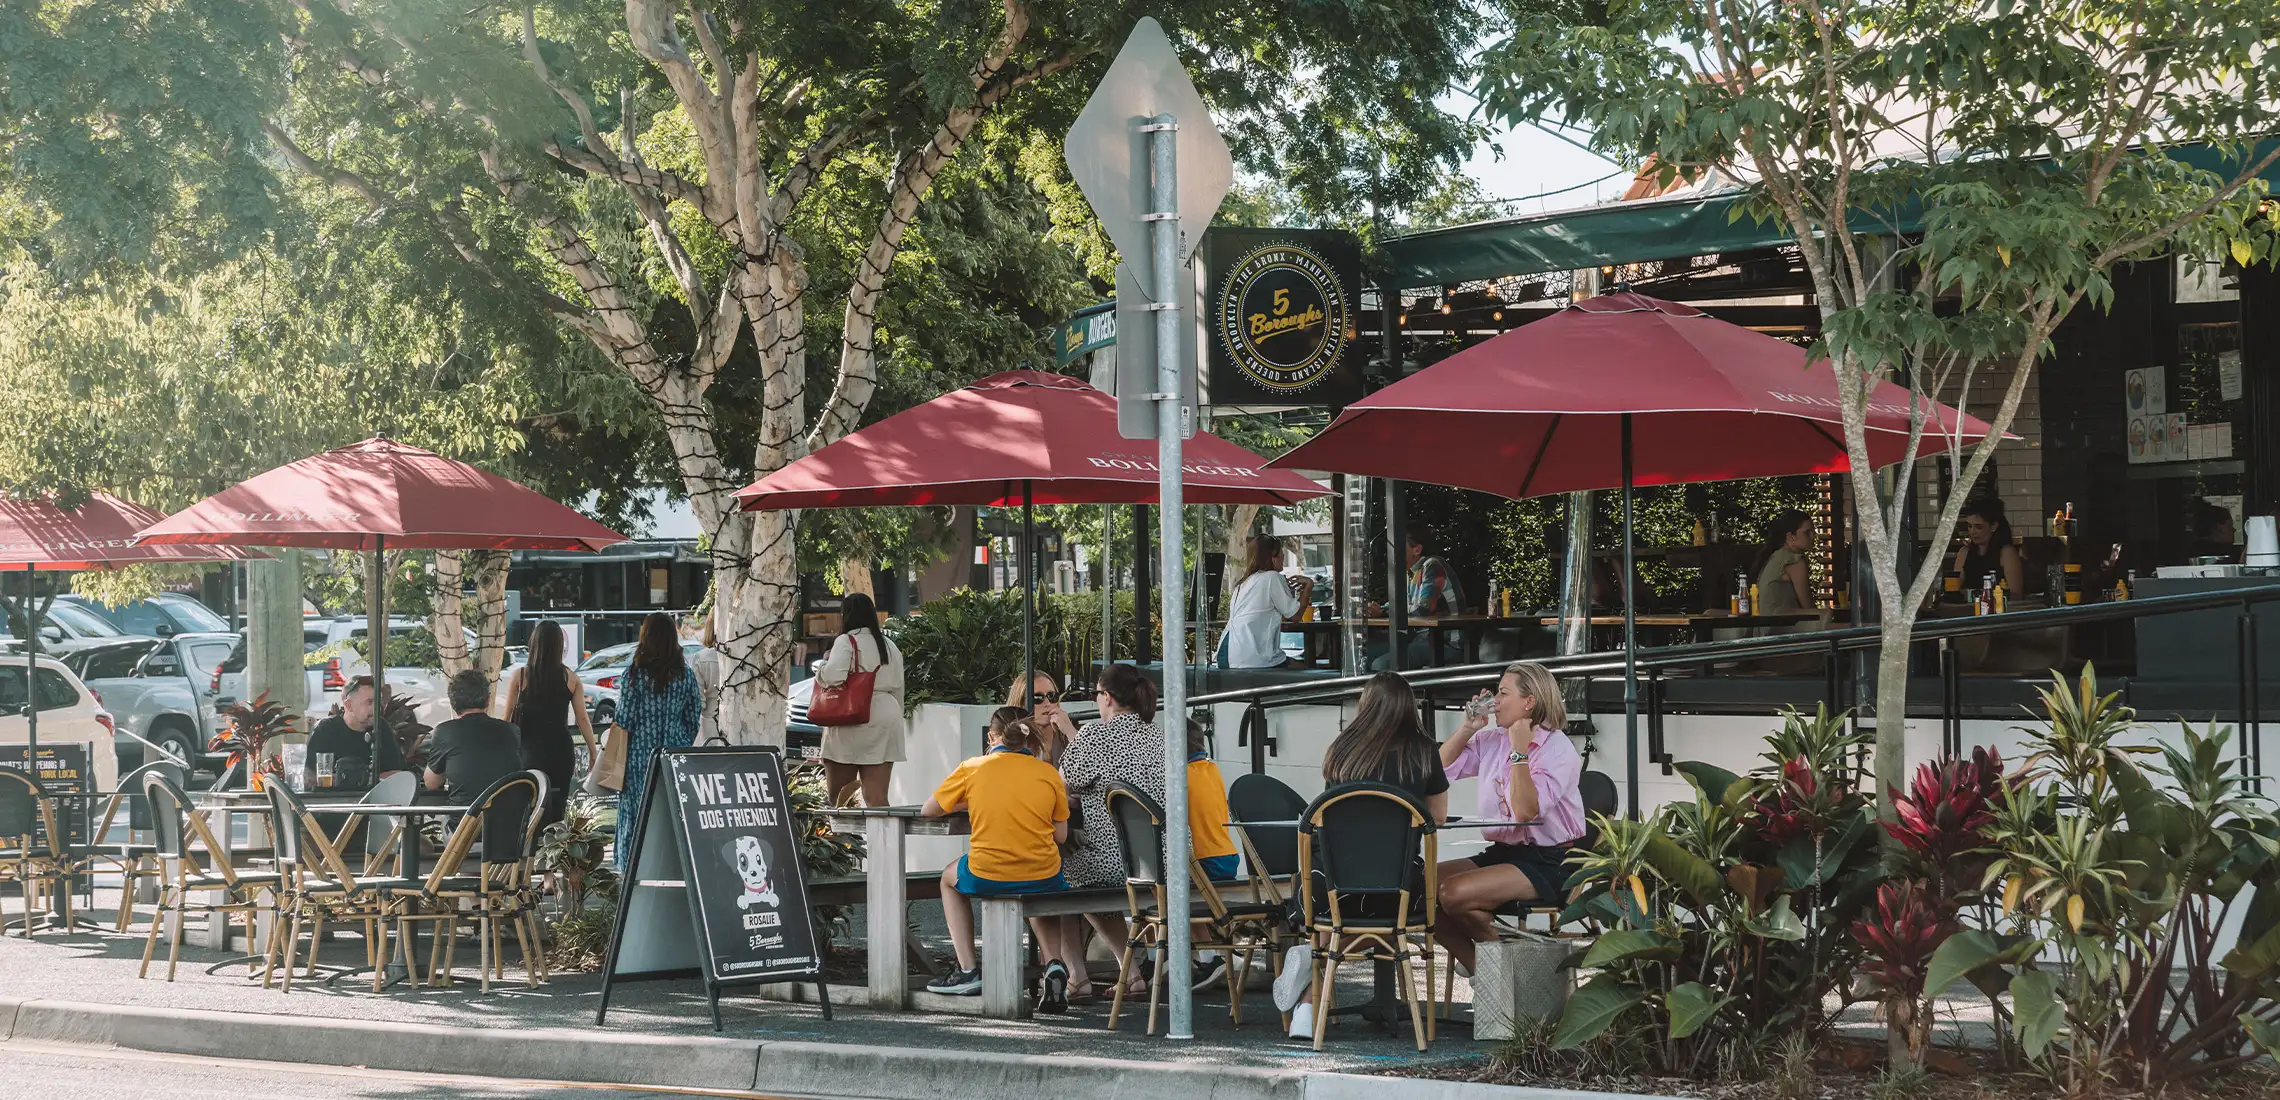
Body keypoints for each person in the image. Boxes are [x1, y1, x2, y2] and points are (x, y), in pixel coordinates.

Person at [1275, 672, 1450, 1039]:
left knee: (1337, 924)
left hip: (1330, 884)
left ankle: (1309, 996)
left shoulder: (1341, 749)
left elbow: (1331, 810)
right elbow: (1436, 818)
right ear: (1409, 707)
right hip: (1397, 886)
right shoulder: (1424, 751)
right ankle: (1312, 981)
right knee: (1404, 915)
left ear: (1365, 705)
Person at [1433, 661, 1586, 975]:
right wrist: (1468, 728)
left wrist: (1519, 750)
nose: (1495, 701)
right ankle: (1490, 972)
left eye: (1503, 693)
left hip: (1551, 861)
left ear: (1529, 701)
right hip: (1505, 853)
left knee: (1452, 893)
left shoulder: (1558, 749)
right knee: (1418, 889)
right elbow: (1437, 771)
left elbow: (1525, 811)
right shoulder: (1493, 739)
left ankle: (1503, 974)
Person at [920, 716, 1081, 1013]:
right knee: (1038, 886)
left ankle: (967, 970)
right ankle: (1054, 964)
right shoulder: (1048, 774)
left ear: (991, 738)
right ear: (1029, 738)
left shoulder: (972, 768)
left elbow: (928, 810)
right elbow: (1060, 836)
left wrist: (970, 800)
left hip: (989, 872)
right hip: (1042, 872)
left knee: (947, 879)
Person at [1056, 662, 1166, 1002]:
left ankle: (1077, 975)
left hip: (1121, 864)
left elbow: (1061, 786)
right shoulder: (1159, 734)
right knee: (1086, 873)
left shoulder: (1094, 735)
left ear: (1106, 697)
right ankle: (1128, 974)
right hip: (1171, 860)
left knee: (1057, 875)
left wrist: (1071, 735)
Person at [613, 611, 701, 873]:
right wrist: (680, 740)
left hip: (639, 758)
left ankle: (633, 872)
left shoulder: (634, 675)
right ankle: (672, 869)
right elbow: (693, 718)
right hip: (674, 756)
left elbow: (624, 720)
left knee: (636, 815)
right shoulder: (685, 675)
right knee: (671, 815)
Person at [501, 619, 598, 829]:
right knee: (557, 809)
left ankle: (530, 847)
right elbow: (582, 718)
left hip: (528, 751)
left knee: (530, 807)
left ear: (534, 644)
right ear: (559, 646)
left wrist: (502, 749)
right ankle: (553, 847)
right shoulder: (571, 678)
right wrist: (592, 750)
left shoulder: (521, 676)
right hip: (560, 752)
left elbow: (506, 717)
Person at [814, 593, 907, 807]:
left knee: (840, 798)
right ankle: (882, 831)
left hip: (851, 718)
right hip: (885, 717)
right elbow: (899, 688)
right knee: (877, 798)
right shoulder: (889, 645)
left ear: (845, 615)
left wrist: (823, 666)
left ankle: (845, 831)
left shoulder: (846, 641)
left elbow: (833, 676)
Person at [1184, 718, 1241, 991]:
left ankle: (1208, 957)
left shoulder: (1181, 777)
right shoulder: (1212, 769)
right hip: (1229, 856)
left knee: (1173, 890)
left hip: (1205, 861)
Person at [425, 669, 528, 805]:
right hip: (510, 817)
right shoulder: (512, 731)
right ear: (488, 700)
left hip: (465, 816)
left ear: (452, 702)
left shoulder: (445, 731)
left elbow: (431, 783)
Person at [1368, 529, 1464, 669]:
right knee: (1364, 656)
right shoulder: (1411, 573)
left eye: (1398, 546)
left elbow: (1424, 608)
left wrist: (1384, 612)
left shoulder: (1433, 566)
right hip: (1422, 640)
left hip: (1447, 644)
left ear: (1417, 549)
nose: (1392, 551)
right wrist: (1378, 609)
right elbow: (1402, 605)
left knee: (1381, 665)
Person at [1222, 535, 1313, 669]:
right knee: (1310, 675)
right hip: (1252, 658)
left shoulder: (1243, 583)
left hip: (1226, 653)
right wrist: (1308, 586)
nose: (1283, 555)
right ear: (1272, 558)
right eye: (1280, 552)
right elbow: (1295, 616)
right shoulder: (1272, 577)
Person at [306, 676, 409, 786]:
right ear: (349, 705)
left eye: (378, 702)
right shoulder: (325, 729)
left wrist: (364, 779)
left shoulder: (381, 727)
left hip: (376, 796)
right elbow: (309, 776)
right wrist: (347, 779)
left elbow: (398, 774)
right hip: (334, 796)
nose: (376, 708)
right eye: (369, 702)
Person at [1953, 498, 2027, 598]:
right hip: (1969, 607)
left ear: (1994, 526)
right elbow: (1954, 590)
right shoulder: (1964, 553)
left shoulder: (2006, 553)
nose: (1972, 532)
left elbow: (2016, 595)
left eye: (1979, 527)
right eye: (1970, 526)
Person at [1004, 671, 1076, 766]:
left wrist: (1071, 732)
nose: (1047, 703)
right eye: (1037, 698)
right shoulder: (1010, 741)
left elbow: (1091, 765)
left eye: (1051, 696)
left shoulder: (1069, 734)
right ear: (1020, 703)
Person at [1753, 510, 1817, 614]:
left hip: (1767, 622)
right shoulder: (1794, 560)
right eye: (1807, 533)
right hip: (1783, 623)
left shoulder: (1777, 556)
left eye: (1813, 532)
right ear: (1790, 537)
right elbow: (1808, 606)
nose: (1813, 537)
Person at [2187, 498, 2239, 564]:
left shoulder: (2190, 552)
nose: (2234, 530)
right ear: (2219, 527)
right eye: (2230, 526)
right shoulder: (2231, 554)